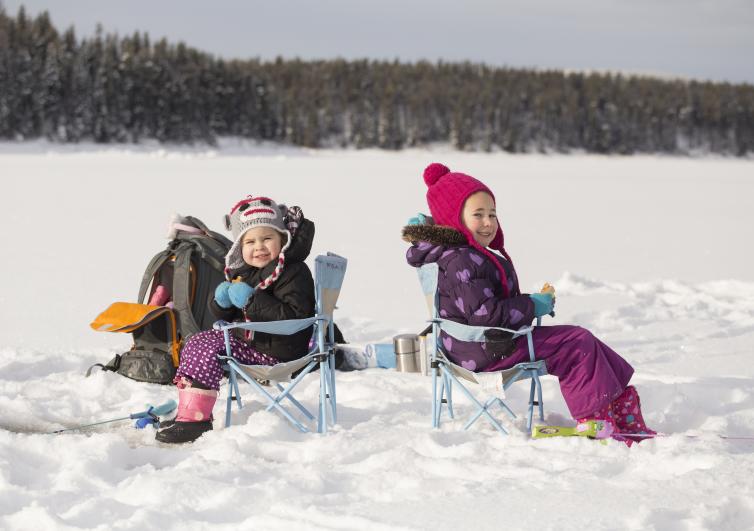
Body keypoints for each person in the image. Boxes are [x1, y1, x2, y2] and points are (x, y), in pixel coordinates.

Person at [403, 163, 654, 445]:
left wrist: (528, 303)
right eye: (478, 215)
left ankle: (623, 410)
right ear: (453, 218)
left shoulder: (465, 254)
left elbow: (485, 308)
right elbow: (486, 315)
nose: (488, 222)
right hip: (485, 348)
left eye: (492, 214)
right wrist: (533, 306)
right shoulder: (462, 260)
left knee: (584, 340)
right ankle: (596, 419)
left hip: (481, 343)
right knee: (576, 343)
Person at [156, 195, 315, 444]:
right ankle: (189, 413)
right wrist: (221, 305)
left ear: (282, 240)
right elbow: (234, 317)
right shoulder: (249, 273)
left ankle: (196, 420)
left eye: (267, 238)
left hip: (281, 351)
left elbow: (295, 316)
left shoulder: (294, 271)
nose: (259, 247)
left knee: (206, 347)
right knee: (197, 341)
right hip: (257, 344)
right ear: (240, 248)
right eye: (249, 241)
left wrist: (251, 301)